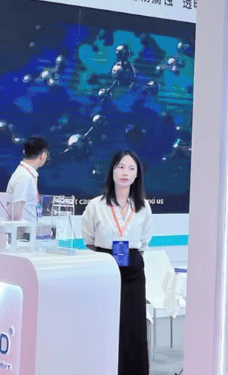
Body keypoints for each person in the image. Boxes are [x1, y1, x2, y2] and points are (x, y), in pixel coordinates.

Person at [82, 150, 154, 375]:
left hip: (133, 273)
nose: (125, 173)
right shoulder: (96, 205)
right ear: (112, 171)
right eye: (120, 167)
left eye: (131, 168)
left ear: (137, 175)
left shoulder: (143, 207)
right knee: (105, 324)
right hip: (104, 268)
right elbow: (89, 240)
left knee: (133, 327)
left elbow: (144, 242)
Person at [6, 136, 49, 222]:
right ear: (43, 155)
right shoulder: (24, 176)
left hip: (27, 228)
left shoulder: (26, 174)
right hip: (22, 229)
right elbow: (16, 215)